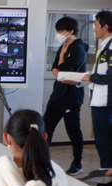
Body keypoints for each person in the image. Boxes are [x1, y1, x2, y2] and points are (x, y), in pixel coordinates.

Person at [43, 17, 89, 176]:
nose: (57, 34)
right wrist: (59, 69)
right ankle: (42, 161)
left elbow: (61, 71)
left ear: (70, 31)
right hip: (56, 95)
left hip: (71, 97)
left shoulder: (78, 48)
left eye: (60, 31)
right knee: (45, 128)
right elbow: (55, 70)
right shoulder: (63, 46)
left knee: (73, 131)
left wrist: (61, 63)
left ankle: (77, 163)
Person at [80, 10, 112, 169]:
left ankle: (106, 171)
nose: (94, 29)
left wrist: (90, 78)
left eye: (96, 25)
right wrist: (84, 79)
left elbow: (109, 77)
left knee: (104, 141)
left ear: (105, 27)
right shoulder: (103, 46)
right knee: (102, 140)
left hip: (106, 104)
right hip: (99, 100)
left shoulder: (111, 48)